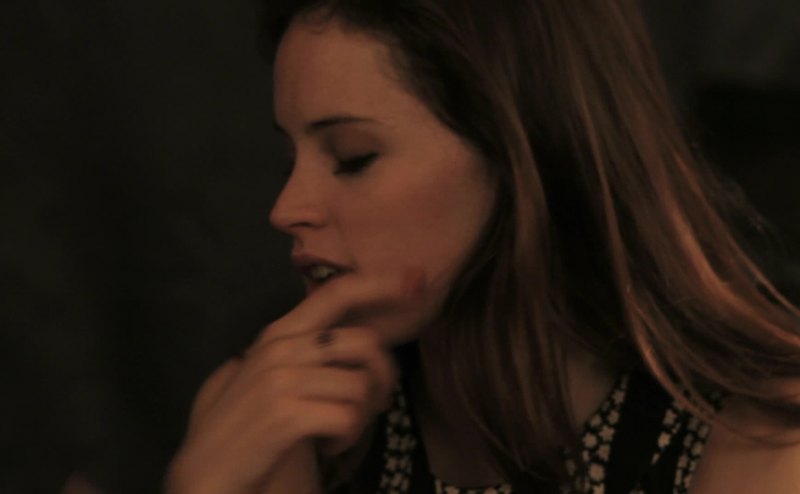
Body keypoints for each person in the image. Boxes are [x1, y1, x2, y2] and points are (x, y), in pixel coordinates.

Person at [165, 0, 800, 492]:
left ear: (523, 158)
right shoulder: (273, 419)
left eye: (352, 158)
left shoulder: (761, 451)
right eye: (289, 159)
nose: (286, 210)